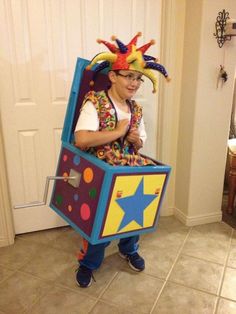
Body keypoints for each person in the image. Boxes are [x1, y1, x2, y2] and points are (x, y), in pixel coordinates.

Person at [74, 32, 169, 287]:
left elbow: (140, 144)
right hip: (103, 171)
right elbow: (81, 140)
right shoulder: (95, 102)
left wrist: (135, 140)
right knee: (102, 222)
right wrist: (117, 132)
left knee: (134, 213)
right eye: (129, 76)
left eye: (139, 78)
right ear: (113, 76)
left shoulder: (136, 108)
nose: (135, 83)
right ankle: (89, 263)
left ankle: (129, 248)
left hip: (129, 169)